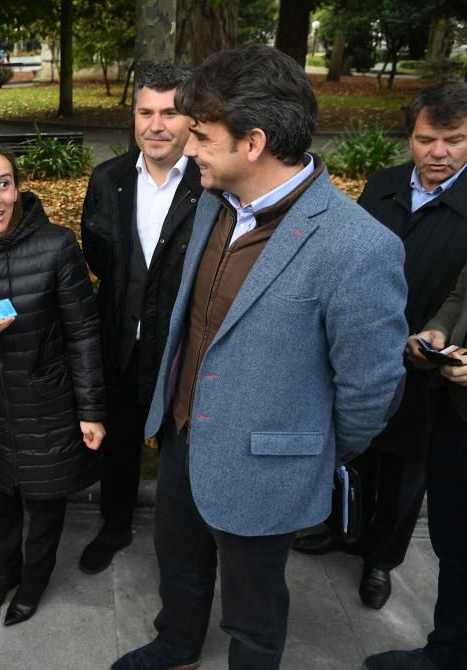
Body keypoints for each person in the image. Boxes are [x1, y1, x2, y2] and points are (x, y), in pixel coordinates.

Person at [112, 45, 408, 670]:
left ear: (253, 142)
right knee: (179, 561)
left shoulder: (357, 248)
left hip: (267, 464)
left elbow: (371, 389)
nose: (188, 148)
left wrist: (304, 448)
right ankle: (177, 645)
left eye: (201, 135)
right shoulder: (213, 203)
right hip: (182, 434)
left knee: (255, 605)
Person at [293, 81, 467, 611]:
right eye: (425, 139)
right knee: (355, 446)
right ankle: (339, 529)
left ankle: (379, 560)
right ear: (409, 138)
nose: (438, 153)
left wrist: (438, 342)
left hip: (430, 367)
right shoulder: (383, 185)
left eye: (454, 140)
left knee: (404, 473)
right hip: (365, 348)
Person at [0, 140, 106, 626]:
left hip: (48, 404)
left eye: (4, 184)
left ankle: (33, 583)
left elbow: (84, 334)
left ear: (17, 188)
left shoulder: (56, 246)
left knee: (45, 504)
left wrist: (91, 411)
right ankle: (3, 574)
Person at [78, 62, 201, 574]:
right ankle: (115, 526)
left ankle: (185, 545)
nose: (156, 125)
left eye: (170, 113)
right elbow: (98, 256)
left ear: (191, 119)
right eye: (145, 111)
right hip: (122, 341)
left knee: (184, 449)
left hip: (185, 348)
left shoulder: (210, 184)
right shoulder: (108, 180)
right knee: (121, 442)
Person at [365, 261, 467, 670]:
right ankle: (447, 654)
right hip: (454, 419)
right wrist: (437, 332)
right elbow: (461, 295)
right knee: (456, 552)